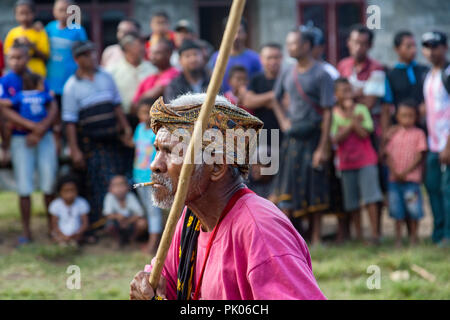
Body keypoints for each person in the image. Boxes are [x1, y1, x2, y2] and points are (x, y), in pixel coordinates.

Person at [129, 93, 326, 300]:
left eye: (170, 152)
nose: (155, 164)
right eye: (158, 150)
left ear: (216, 167)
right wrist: (148, 285)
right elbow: (166, 285)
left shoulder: (260, 231)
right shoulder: (191, 219)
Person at [269, 28, 334, 245]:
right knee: (287, 188)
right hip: (293, 137)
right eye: (288, 44)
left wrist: (323, 147)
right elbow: (275, 98)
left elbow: (328, 112)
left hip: (314, 136)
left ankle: (316, 237)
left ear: (306, 45)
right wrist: (284, 121)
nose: (290, 48)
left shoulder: (322, 74)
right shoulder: (287, 72)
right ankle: (289, 239)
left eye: (294, 44)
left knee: (314, 186)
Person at [62, 41, 133, 223]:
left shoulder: (106, 76)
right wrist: (75, 150)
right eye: (86, 55)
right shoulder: (71, 86)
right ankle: (101, 223)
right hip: (91, 143)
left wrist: (126, 129)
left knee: (118, 179)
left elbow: (117, 106)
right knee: (96, 181)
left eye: (93, 53)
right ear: (78, 60)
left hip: (113, 139)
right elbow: (70, 122)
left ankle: (122, 222)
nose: (92, 57)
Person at [337, 24, 385, 236]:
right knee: (350, 189)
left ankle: (376, 232)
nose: (359, 47)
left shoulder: (377, 69)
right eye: (355, 42)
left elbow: (369, 102)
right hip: (346, 139)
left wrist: (350, 97)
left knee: (373, 185)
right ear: (349, 43)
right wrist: (356, 94)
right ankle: (353, 233)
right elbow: (341, 95)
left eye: (364, 43)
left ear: (370, 45)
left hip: (370, 131)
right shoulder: (343, 66)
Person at [0, 71, 58, 245]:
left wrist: (38, 130)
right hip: (24, 137)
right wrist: (35, 127)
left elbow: (6, 104)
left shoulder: (20, 95)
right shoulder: (9, 81)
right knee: (26, 186)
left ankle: (51, 227)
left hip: (40, 136)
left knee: (46, 184)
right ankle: (30, 230)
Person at [331, 78, 383, 244]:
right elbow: (335, 138)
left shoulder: (361, 109)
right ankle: (359, 236)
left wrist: (351, 118)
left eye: (349, 90)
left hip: (366, 160)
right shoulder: (334, 113)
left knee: (371, 198)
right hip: (346, 163)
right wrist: (353, 123)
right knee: (352, 202)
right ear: (336, 94)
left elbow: (364, 133)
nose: (348, 94)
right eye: (343, 91)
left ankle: (375, 235)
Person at [384, 99, 427, 247]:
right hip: (394, 180)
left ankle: (414, 238)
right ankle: (398, 239)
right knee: (397, 211)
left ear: (416, 117)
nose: (407, 119)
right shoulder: (394, 134)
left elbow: (420, 155)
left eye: (411, 116)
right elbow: (387, 154)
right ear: (398, 117)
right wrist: (395, 172)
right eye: (404, 115)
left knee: (413, 210)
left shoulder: (419, 134)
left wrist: (405, 172)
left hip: (411, 180)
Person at [421, 30, 450, 247]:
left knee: (447, 190)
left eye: (435, 46)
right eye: (427, 46)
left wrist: (448, 144)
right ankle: (438, 232)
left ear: (445, 48)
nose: (431, 51)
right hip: (433, 143)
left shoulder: (448, 74)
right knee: (432, 187)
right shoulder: (429, 75)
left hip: (446, 144)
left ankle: (448, 235)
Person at [383, 30, 429, 135]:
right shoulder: (391, 75)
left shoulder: (425, 71)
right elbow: (386, 107)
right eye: (408, 46)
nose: (413, 50)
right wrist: (386, 133)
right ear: (397, 49)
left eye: (414, 46)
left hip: (425, 126)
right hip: (402, 128)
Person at [132, 99, 162, 254]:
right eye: (143, 112)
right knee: (146, 209)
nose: (146, 116)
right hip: (138, 175)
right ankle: (151, 239)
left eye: (149, 113)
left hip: (151, 177)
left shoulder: (156, 132)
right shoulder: (138, 129)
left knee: (153, 210)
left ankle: (153, 243)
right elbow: (136, 147)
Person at [45, 0, 88, 106]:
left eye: (67, 10)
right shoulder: (49, 28)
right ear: (54, 11)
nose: (64, 13)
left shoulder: (78, 30)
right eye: (60, 10)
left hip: (70, 78)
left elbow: (84, 53)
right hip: (51, 80)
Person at [106, 32, 156, 115]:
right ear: (126, 48)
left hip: (148, 116)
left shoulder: (152, 69)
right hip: (124, 116)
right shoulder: (113, 71)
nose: (141, 48)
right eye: (137, 46)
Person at [242, 42, 283, 146]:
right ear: (261, 59)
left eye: (276, 57)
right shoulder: (256, 79)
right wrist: (273, 96)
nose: (273, 61)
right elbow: (247, 101)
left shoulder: (288, 77)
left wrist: (260, 100)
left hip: (285, 134)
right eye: (269, 58)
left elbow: (288, 103)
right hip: (262, 135)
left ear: (282, 58)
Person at [207, 18, 262, 92]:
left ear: (246, 34)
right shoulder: (216, 58)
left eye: (239, 32)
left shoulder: (255, 58)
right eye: (232, 32)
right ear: (225, 34)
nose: (236, 36)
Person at [4, 0, 49, 77]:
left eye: (27, 13)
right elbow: (7, 54)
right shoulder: (13, 33)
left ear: (34, 13)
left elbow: (45, 56)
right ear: (15, 15)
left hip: (37, 74)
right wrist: (16, 45)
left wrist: (30, 45)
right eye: (21, 13)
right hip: (18, 75)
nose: (24, 17)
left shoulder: (40, 32)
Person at [103, 175, 147, 247]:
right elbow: (107, 214)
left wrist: (128, 221)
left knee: (142, 223)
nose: (119, 189)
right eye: (116, 185)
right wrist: (118, 217)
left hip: (130, 224)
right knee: (109, 225)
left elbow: (140, 213)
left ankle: (132, 240)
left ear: (128, 187)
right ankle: (118, 241)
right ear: (110, 188)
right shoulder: (109, 197)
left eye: (121, 185)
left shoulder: (130, 196)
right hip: (117, 224)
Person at [132, 39, 180, 104]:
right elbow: (134, 104)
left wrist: (143, 98)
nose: (152, 56)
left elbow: (155, 92)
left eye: (157, 53)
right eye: (151, 52)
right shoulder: (149, 78)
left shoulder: (175, 73)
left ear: (169, 54)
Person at [49, 175, 90, 245]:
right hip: (60, 233)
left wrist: (77, 233)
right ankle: (64, 242)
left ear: (77, 190)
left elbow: (85, 223)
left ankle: (71, 242)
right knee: (55, 235)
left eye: (72, 190)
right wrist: (62, 235)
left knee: (80, 238)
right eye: (66, 191)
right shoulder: (55, 204)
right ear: (60, 191)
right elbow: (54, 224)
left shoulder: (82, 203)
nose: (69, 194)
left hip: (76, 233)